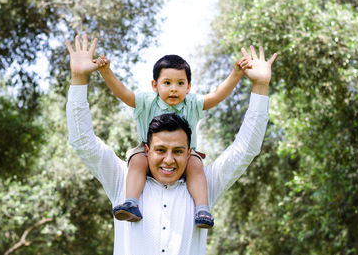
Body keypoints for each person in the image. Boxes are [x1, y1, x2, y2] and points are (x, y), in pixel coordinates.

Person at [66, 34, 277, 254]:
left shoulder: (203, 185)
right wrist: (78, 79)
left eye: (177, 151)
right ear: (147, 149)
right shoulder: (123, 179)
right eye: (160, 150)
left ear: (189, 152)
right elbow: (82, 141)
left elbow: (246, 148)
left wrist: (260, 86)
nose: (169, 159)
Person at [92, 41, 252, 228]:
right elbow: (122, 93)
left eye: (180, 83)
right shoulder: (146, 101)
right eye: (167, 83)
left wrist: (236, 74)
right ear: (155, 85)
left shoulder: (192, 103)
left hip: (184, 155)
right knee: (137, 161)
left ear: (188, 87)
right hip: (147, 151)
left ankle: (202, 210)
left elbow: (217, 96)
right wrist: (106, 72)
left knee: (195, 165)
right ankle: (131, 203)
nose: (174, 88)